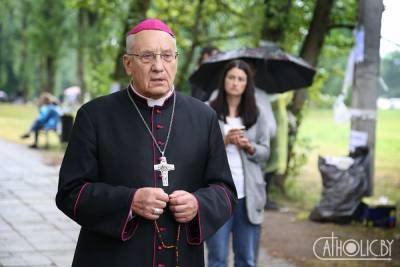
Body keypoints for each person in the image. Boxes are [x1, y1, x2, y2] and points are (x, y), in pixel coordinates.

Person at [55, 18, 237, 267]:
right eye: (147, 56)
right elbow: (70, 192)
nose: (158, 66)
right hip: (111, 258)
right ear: (128, 63)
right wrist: (128, 202)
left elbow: (225, 190)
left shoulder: (203, 117)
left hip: (180, 257)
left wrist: (198, 204)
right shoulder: (94, 115)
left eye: (167, 56)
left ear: (177, 61)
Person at [207, 60, 270, 267]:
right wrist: (223, 141)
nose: (235, 83)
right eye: (231, 77)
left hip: (248, 195)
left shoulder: (257, 113)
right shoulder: (208, 111)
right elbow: (197, 152)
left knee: (246, 259)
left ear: (247, 84)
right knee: (217, 259)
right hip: (218, 196)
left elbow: (265, 151)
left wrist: (249, 146)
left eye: (241, 79)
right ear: (224, 80)